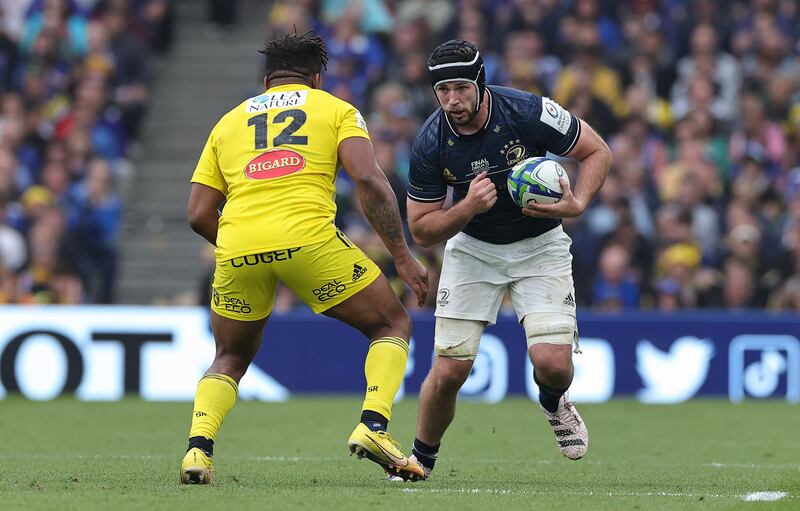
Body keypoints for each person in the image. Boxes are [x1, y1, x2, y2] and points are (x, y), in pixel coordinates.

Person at [179, 31, 428, 484]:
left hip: (237, 247)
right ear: (316, 76)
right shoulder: (336, 109)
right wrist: (403, 257)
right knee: (391, 324)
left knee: (230, 357)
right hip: (309, 241)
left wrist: (244, 245)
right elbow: (369, 181)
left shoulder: (228, 122)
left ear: (267, 78)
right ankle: (374, 426)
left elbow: (198, 213)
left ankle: (198, 451)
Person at [401, 39, 612, 479]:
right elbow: (421, 230)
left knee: (553, 366)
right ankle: (420, 460)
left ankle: (553, 402)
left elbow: (597, 151)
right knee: (449, 371)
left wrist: (578, 203)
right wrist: (466, 208)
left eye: (460, 88)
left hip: (541, 246)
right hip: (472, 248)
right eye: (443, 91)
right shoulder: (429, 141)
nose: (452, 100)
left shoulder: (528, 111)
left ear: (480, 82)